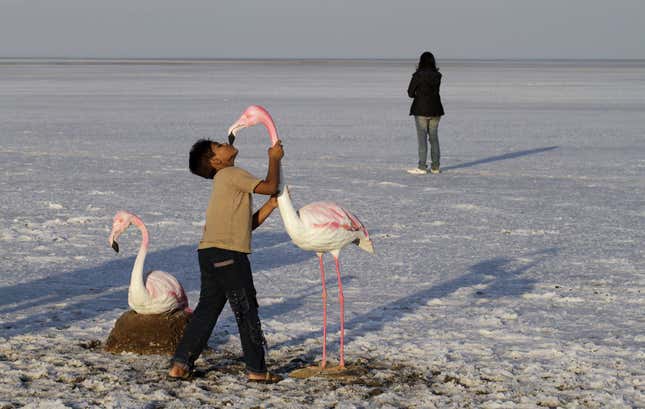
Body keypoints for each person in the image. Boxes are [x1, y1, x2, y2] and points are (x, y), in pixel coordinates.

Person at [168, 138, 284, 383]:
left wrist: (271, 205)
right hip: (229, 255)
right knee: (246, 311)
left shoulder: (225, 182)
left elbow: (246, 225)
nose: (225, 142)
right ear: (216, 161)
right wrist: (274, 158)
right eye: (218, 145)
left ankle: (180, 364)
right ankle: (256, 369)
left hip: (210, 253)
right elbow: (270, 185)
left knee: (207, 310)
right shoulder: (231, 173)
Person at [406, 51, 445, 175]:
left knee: (422, 138)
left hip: (421, 110)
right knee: (434, 138)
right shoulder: (437, 75)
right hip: (435, 110)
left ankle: (422, 167)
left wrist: (419, 94)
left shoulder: (417, 75)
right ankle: (436, 167)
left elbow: (410, 93)